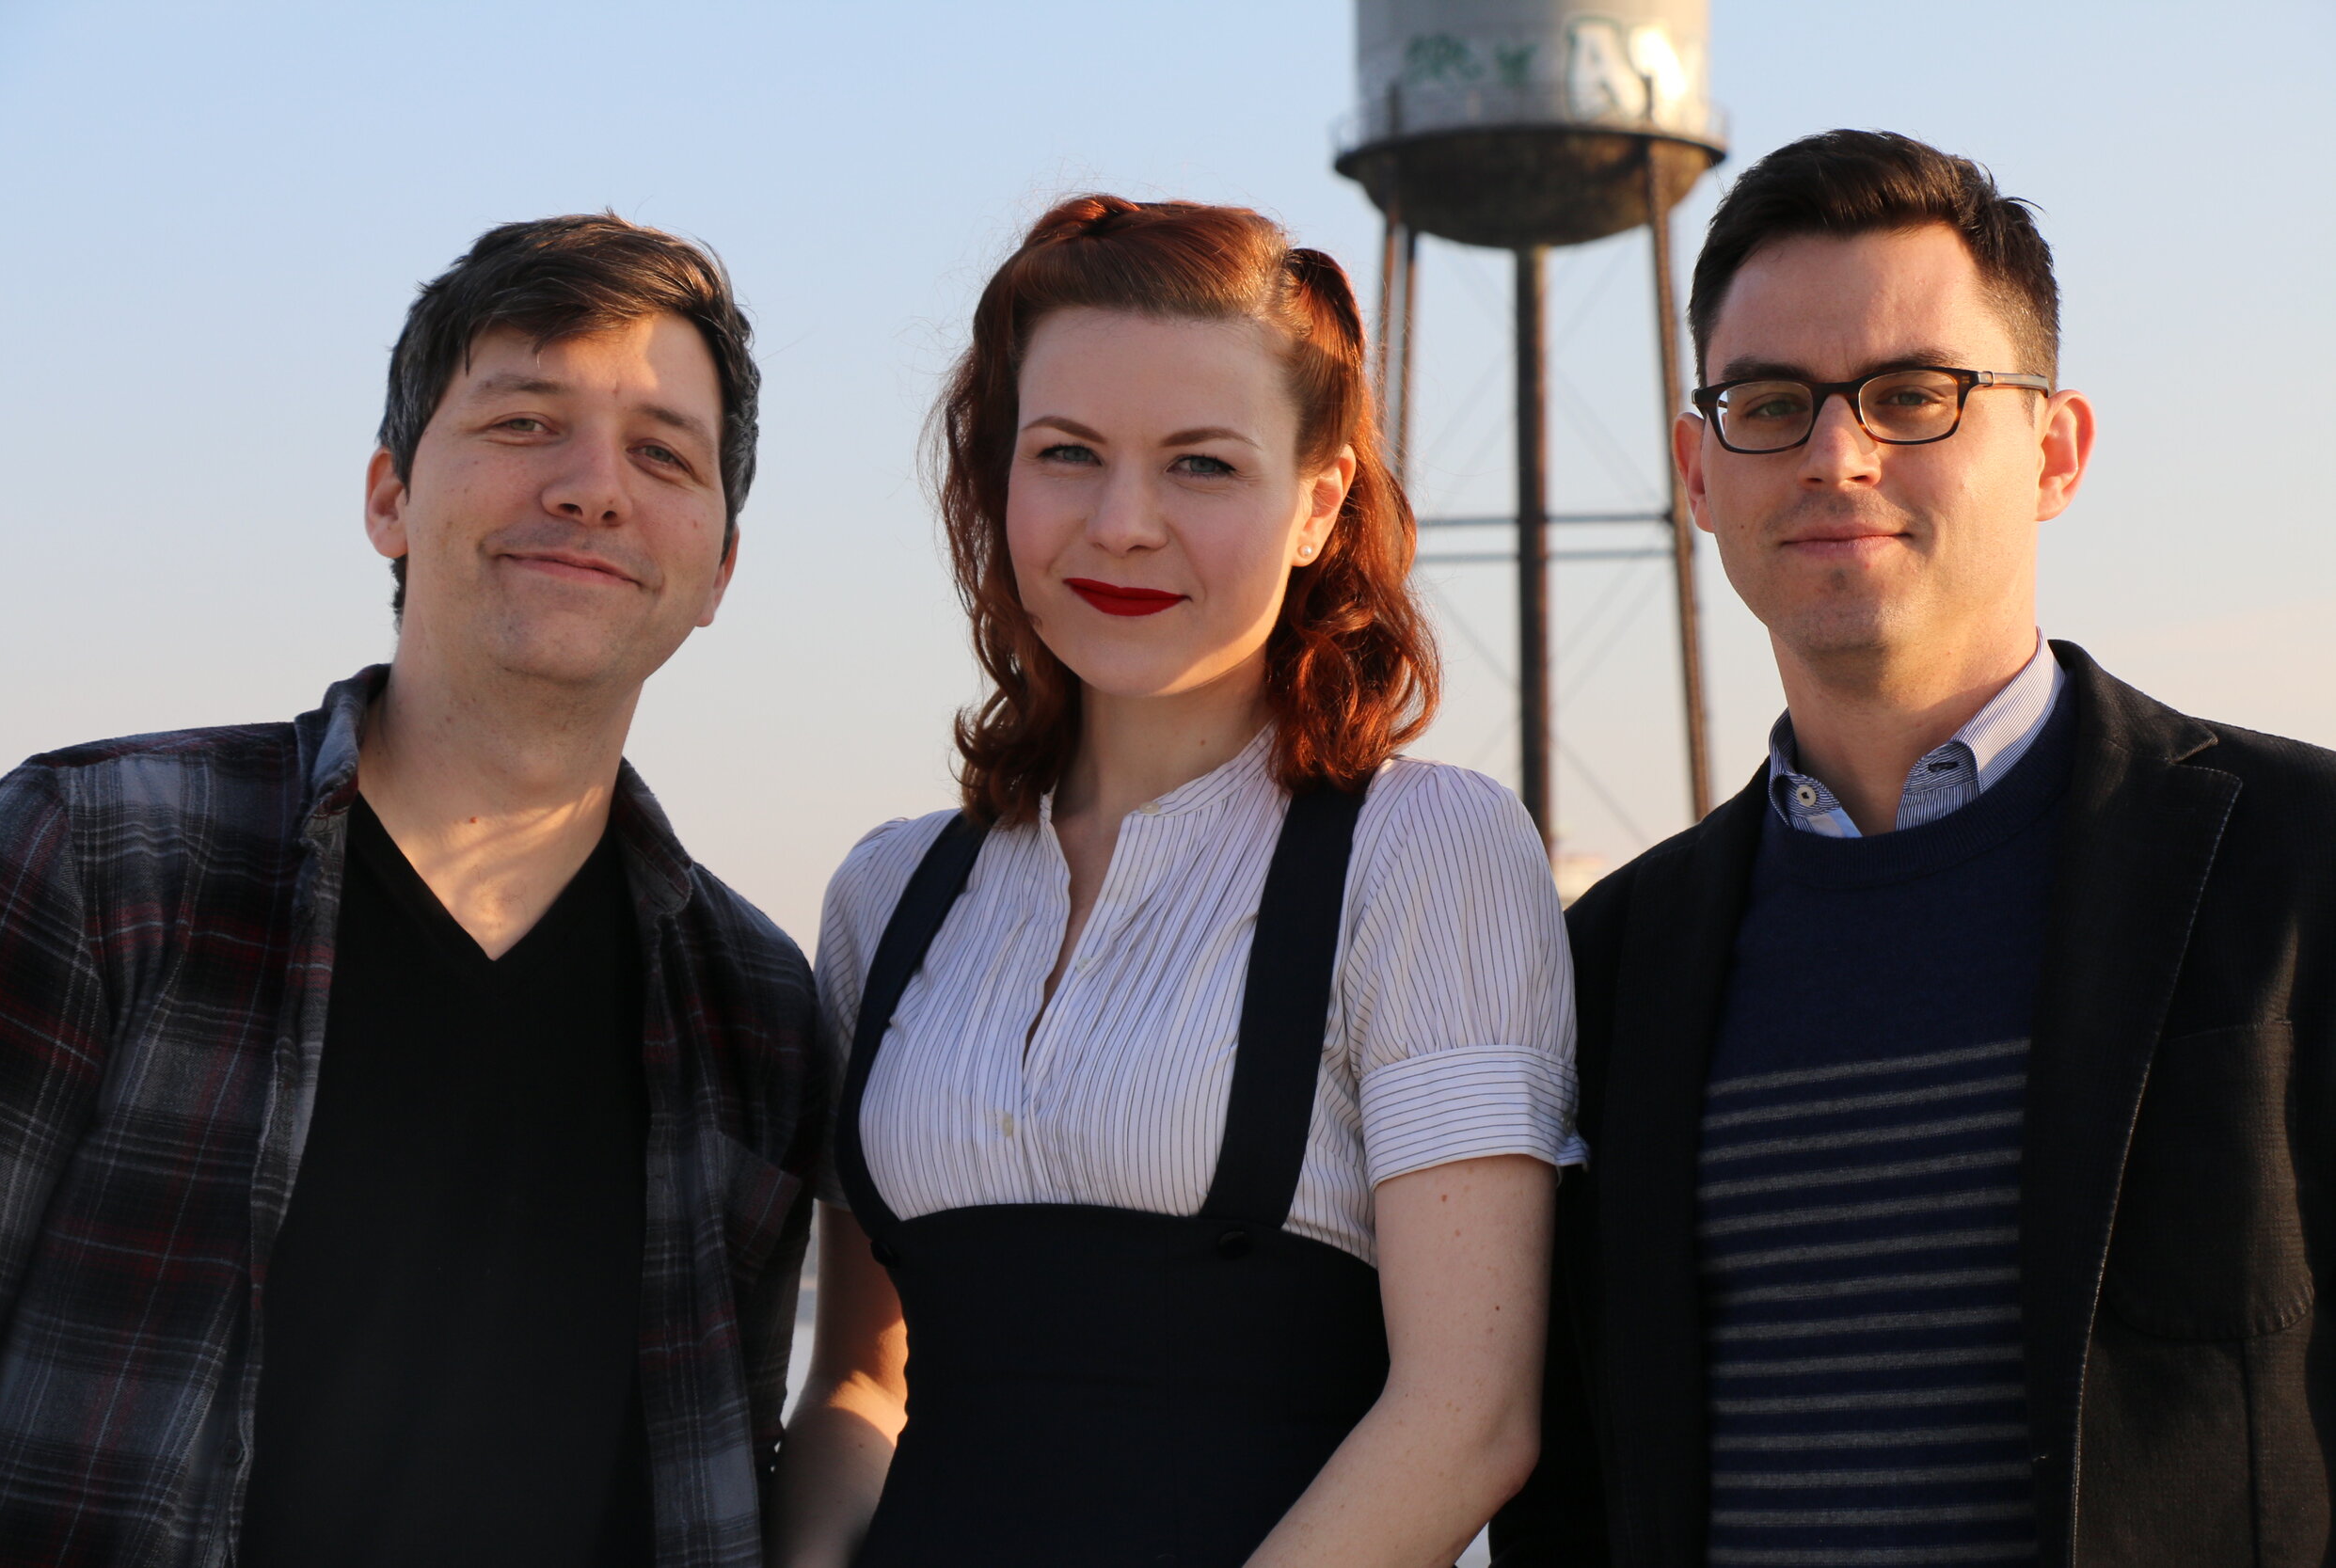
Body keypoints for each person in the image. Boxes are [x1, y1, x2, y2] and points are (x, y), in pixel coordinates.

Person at [1491, 129, 2336, 1566]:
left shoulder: (2299, 866)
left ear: (2055, 450)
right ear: (1699, 473)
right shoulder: (1606, 965)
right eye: (1771, 403)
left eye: (1912, 396)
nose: (1837, 453)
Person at [0, 214, 823, 1568]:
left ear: (718, 567)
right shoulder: (97, 861)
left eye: (664, 455)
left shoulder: (763, 1010)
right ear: (389, 496)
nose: (594, 489)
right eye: (524, 423)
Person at [767, 195, 1579, 1568]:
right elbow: (862, 1378)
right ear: (996, 477)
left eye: (1201, 466)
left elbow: (1468, 1417)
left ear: (1320, 503)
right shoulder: (886, 894)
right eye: (1067, 454)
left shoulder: (1426, 852)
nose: (1123, 524)